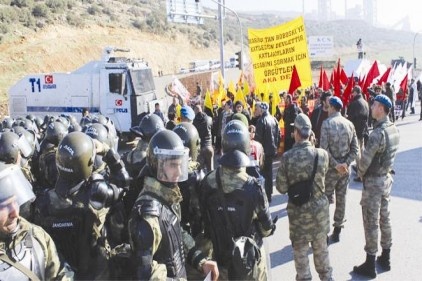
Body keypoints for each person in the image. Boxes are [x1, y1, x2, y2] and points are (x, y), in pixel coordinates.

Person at [33, 132, 130, 280]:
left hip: (60, 275)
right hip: (95, 273)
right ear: (88, 164)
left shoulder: (42, 201)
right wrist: (107, 151)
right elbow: (123, 183)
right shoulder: (96, 194)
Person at [128, 130, 219, 280]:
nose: (178, 172)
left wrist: (200, 261)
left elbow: (175, 232)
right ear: (156, 164)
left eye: (180, 165)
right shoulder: (148, 214)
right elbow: (145, 275)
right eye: (172, 165)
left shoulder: (167, 195)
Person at [199, 120, 276, 280]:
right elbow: (266, 229)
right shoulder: (254, 187)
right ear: (246, 146)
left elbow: (203, 220)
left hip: (220, 262)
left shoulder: (207, 181)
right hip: (247, 266)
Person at [275, 113, 333, 281]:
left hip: (298, 215)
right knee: (322, 255)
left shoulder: (287, 157)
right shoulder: (322, 154)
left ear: (296, 132)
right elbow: (325, 178)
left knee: (301, 259)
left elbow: (281, 187)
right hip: (319, 215)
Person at [0, 162, 74, 280]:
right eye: (5, 206)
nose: (15, 213)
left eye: (15, 201)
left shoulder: (36, 235)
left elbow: (59, 273)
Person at [353, 94, 400, 279]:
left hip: (374, 182)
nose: (371, 107)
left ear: (381, 109)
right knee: (385, 219)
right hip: (386, 179)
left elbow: (364, 162)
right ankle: (386, 257)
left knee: (371, 223)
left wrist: (359, 172)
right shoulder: (393, 129)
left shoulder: (378, 133)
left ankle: (370, 263)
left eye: (374, 105)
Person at [320, 97, 359, 243]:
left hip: (331, 171)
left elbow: (324, 149)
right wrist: (346, 164)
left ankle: (324, 233)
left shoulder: (327, 124)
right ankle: (337, 231)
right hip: (344, 171)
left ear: (332, 107)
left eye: (328, 107)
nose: (327, 109)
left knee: (325, 200)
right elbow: (355, 149)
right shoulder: (349, 124)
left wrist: (336, 165)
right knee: (341, 199)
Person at [255, 102, 281, 203]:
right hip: (271, 150)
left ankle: (264, 195)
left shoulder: (261, 121)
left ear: (261, 109)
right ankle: (269, 194)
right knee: (269, 174)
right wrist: (276, 147)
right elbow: (278, 135)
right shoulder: (274, 119)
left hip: (263, 152)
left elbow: (258, 138)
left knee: (261, 174)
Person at [347, 85, 369, 182]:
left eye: (352, 92)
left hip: (356, 131)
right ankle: (363, 171)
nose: (352, 94)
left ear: (356, 92)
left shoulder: (355, 103)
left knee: (357, 154)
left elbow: (350, 118)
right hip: (363, 130)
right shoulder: (365, 102)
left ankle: (361, 175)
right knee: (362, 151)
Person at [193, 104, 214, 172]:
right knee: (210, 170)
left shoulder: (194, 121)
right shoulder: (209, 118)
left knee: (198, 171)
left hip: (200, 148)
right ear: (201, 109)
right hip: (209, 147)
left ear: (195, 111)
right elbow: (213, 129)